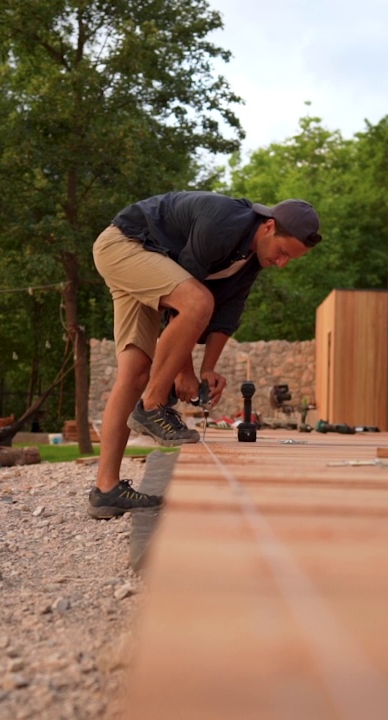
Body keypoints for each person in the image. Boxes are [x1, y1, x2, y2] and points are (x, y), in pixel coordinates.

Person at [86, 191, 322, 519]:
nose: (281, 263)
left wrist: (208, 368)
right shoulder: (223, 221)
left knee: (136, 371)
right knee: (197, 302)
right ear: (269, 227)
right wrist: (183, 373)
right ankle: (152, 406)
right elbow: (187, 305)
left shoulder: (251, 259)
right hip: (125, 245)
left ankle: (106, 490)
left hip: (145, 259)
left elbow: (227, 314)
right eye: (282, 253)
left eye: (289, 260)